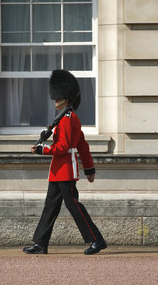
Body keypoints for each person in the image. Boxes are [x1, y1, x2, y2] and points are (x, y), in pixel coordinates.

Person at [23, 70, 107, 255]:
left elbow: (63, 147)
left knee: (74, 206)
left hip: (66, 170)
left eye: (58, 97)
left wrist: (42, 150)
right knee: (50, 207)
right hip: (58, 170)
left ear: (66, 99)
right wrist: (90, 167)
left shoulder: (68, 120)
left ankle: (96, 239)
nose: (55, 101)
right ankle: (41, 243)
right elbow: (83, 145)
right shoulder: (63, 119)